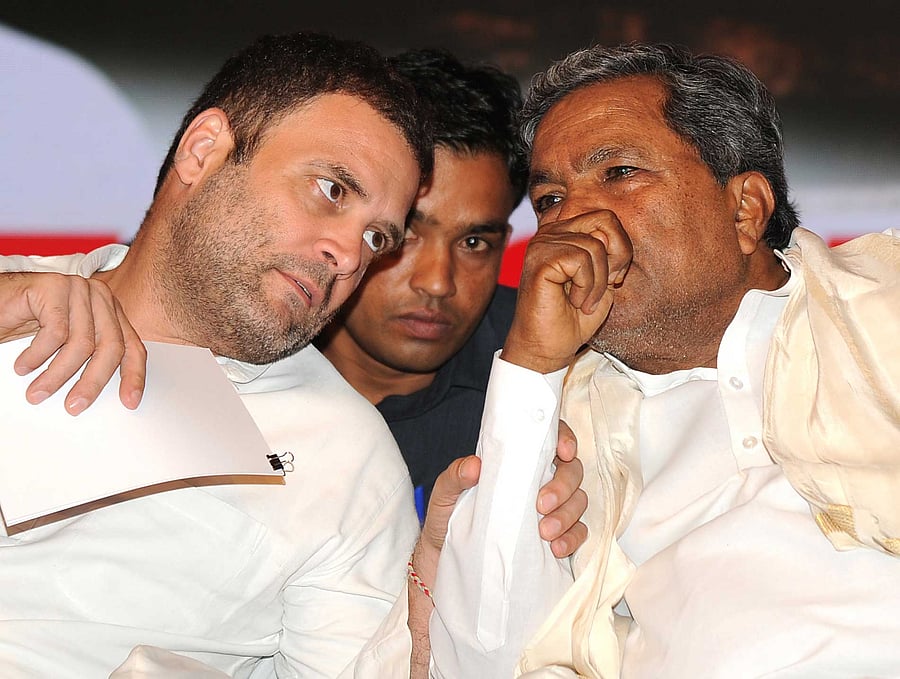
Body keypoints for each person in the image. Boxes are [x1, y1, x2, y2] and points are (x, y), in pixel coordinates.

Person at [0, 33, 586, 678]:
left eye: (375, 236)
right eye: (332, 189)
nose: (348, 254)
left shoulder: (344, 457)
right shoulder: (16, 293)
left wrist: (436, 589)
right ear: (204, 151)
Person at [418, 42, 900, 678]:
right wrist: (530, 365)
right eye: (552, 200)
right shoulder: (558, 423)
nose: (577, 222)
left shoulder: (880, 304)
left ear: (745, 209)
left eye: (618, 173)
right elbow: (486, 662)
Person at [315, 47, 530, 519]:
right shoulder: (240, 355)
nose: (437, 283)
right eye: (405, 233)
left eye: (474, 242)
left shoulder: (555, 379)